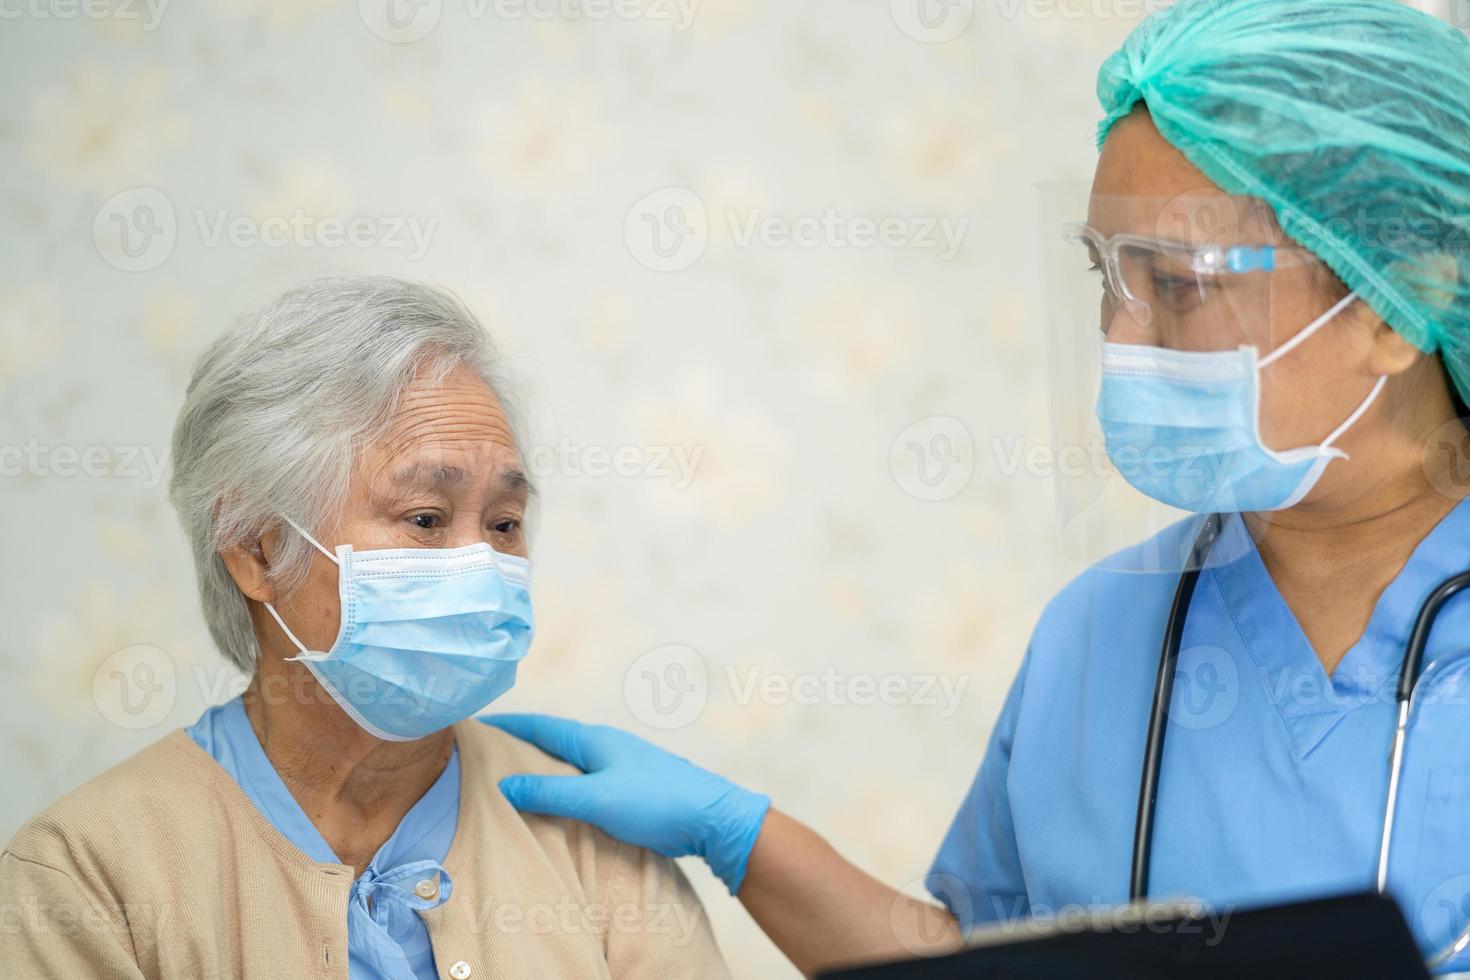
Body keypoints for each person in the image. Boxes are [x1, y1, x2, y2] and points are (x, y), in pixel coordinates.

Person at [485, 0, 1470, 975]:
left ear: (1400, 299)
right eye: (1105, 276)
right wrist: (742, 835)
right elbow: (986, 964)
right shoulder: (1102, 633)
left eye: (1176, 282)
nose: (1119, 338)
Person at [0, 277, 729, 979]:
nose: (481, 566)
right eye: (425, 519)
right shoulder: (88, 875)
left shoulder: (592, 840)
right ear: (256, 546)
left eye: (505, 524)